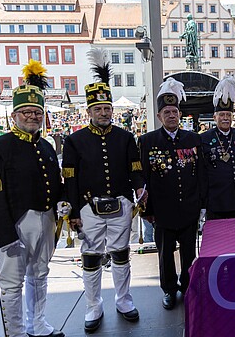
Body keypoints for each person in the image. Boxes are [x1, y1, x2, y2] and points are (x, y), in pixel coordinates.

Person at [0, 61, 65, 337]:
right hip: (15, 225)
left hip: (45, 220)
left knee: (39, 275)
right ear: (14, 115)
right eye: (25, 112)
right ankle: (14, 333)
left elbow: (55, 179)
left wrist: (61, 202)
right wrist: (4, 234)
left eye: (37, 112)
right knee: (12, 283)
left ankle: (37, 324)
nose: (32, 116)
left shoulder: (46, 146)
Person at [62, 48, 145, 332]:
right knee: (91, 256)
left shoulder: (125, 137)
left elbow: (135, 169)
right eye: (98, 109)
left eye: (107, 108)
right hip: (89, 208)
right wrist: (73, 210)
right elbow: (69, 178)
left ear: (112, 109)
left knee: (121, 253)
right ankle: (93, 306)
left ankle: (123, 300)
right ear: (89, 111)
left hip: (121, 204)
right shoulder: (74, 140)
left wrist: (139, 195)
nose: (103, 112)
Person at [138, 78, 205, 310]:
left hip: (188, 207)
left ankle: (187, 287)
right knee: (165, 254)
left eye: (175, 111)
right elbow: (143, 179)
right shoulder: (148, 141)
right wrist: (146, 211)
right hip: (163, 210)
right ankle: (168, 289)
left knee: (189, 253)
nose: (171, 115)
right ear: (159, 116)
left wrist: (201, 204)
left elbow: (201, 173)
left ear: (180, 114)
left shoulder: (193, 139)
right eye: (167, 112)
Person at [201, 76, 235, 219]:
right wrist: (202, 202)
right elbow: (202, 171)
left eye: (228, 114)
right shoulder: (204, 138)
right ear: (214, 117)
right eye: (221, 115)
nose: (225, 118)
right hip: (215, 200)